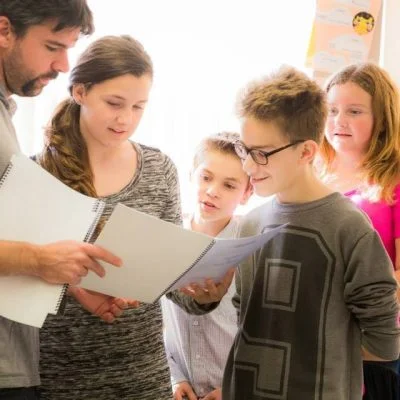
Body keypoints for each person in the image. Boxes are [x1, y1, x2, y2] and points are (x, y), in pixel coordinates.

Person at [221, 66, 399, 399]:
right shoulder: (250, 225)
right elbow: (243, 312)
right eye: (245, 150)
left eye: (261, 154)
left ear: (306, 152)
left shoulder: (350, 227)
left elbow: (383, 339)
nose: (247, 166)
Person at [35, 34, 182, 400]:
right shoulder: (37, 174)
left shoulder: (159, 169)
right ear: (80, 92)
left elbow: (172, 272)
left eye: (138, 107)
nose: (125, 119)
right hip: (60, 375)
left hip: (144, 373)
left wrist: (205, 290)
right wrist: (75, 285)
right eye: (115, 103)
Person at [0, 2, 123, 399]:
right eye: (53, 46)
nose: (63, 64)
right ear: (4, 31)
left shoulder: (6, 114)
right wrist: (38, 261)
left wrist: (67, 278)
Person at [319, 62, 400, 400]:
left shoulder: (393, 186)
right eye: (332, 110)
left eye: (354, 111)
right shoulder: (313, 178)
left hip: (374, 347)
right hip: (320, 341)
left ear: (381, 118)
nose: (339, 120)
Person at [162, 132, 252, 400]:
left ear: (247, 193)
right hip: (183, 389)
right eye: (206, 177)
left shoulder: (250, 248)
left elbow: (263, 330)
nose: (213, 190)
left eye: (229, 185)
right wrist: (174, 377)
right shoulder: (168, 238)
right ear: (192, 174)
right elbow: (158, 323)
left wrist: (234, 387)